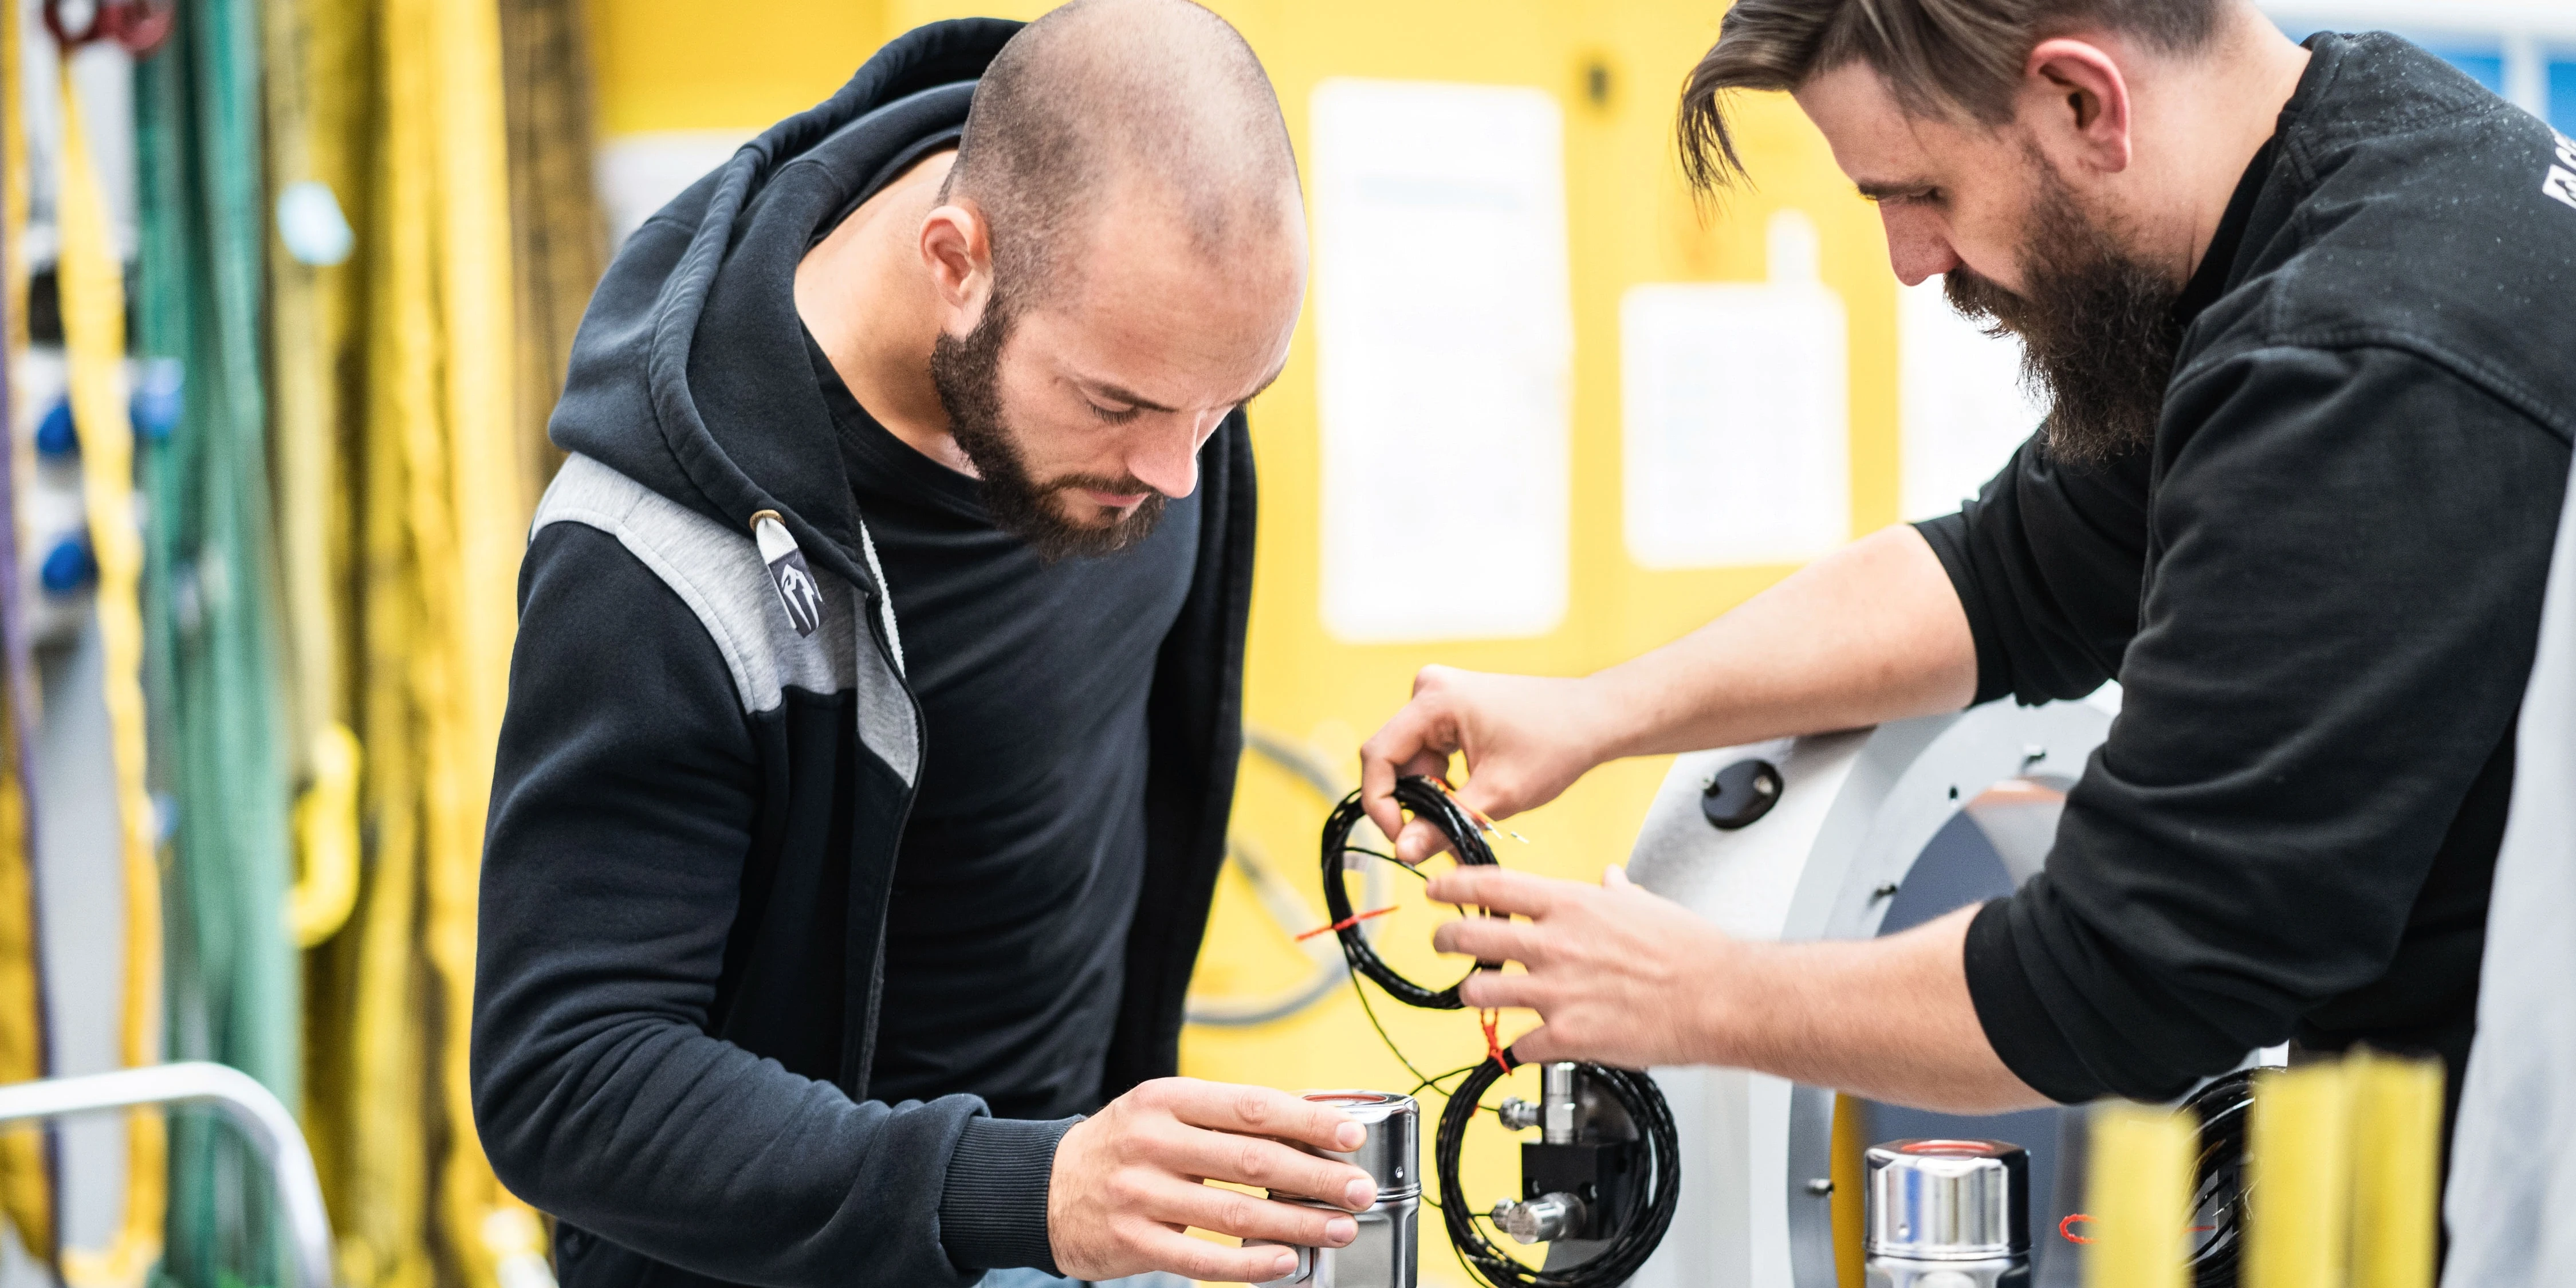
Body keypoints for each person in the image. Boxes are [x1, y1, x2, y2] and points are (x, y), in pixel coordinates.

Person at [1362, 0, 2576, 1134]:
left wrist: (1688, 990)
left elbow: (2131, 971)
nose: (1906, 258)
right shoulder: (2375, 163)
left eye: (1921, 189)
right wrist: (1596, 709)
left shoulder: (2363, 359)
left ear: (2081, 103)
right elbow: (2003, 576)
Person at [474, 5, 1381, 1287]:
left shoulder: (1154, 374)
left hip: (1066, 1237)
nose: (1179, 472)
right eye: (1116, 404)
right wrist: (1024, 1187)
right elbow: (563, 1080)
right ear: (956, 258)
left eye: (1229, 405)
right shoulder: (654, 562)